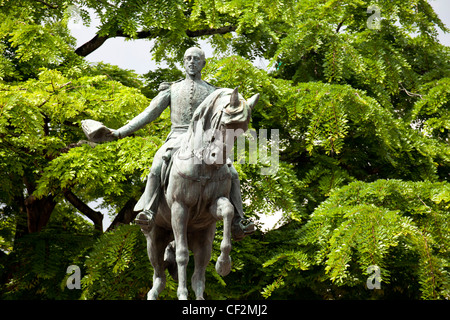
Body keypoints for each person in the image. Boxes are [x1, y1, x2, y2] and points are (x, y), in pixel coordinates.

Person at [109, 47, 254, 241]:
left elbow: (231, 111)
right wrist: (119, 132)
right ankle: (149, 211)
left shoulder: (214, 92)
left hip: (205, 141)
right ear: (183, 62)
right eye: (188, 59)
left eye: (196, 59)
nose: (192, 62)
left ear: (203, 63)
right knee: (157, 164)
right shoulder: (172, 89)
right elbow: (148, 114)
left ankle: (238, 220)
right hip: (177, 138)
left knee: (232, 171)